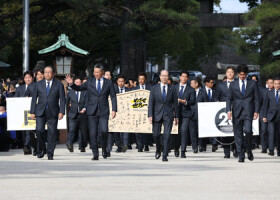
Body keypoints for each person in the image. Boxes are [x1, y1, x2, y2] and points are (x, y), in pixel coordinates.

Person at [65, 63, 117, 161]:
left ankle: (104, 148)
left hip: (103, 111)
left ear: (102, 72)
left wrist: (114, 109)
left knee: (104, 131)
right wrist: (71, 83)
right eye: (94, 72)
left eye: (97, 72)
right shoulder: (90, 82)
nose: (95, 74)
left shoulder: (108, 83)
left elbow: (113, 97)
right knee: (93, 134)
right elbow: (79, 88)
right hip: (92, 112)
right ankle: (95, 154)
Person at [30, 66, 66, 160]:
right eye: (45, 72)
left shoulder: (58, 84)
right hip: (40, 111)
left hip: (53, 112)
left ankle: (50, 153)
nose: (47, 74)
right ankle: (42, 149)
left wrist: (62, 111)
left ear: (53, 73)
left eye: (49, 72)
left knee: (52, 133)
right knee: (39, 130)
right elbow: (34, 99)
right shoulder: (38, 84)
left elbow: (62, 99)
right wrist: (32, 111)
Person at [227, 64, 259, 162]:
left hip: (248, 111)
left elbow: (257, 98)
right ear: (237, 74)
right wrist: (228, 110)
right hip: (237, 111)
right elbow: (229, 98)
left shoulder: (252, 83)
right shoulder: (233, 84)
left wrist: (256, 111)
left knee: (248, 131)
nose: (242, 76)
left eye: (244, 74)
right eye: (240, 74)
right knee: (238, 134)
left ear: (247, 74)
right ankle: (241, 154)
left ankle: (249, 150)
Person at [148, 69, 179, 162]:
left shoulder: (172, 88)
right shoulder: (154, 88)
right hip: (157, 114)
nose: (164, 77)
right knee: (156, 135)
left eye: (166, 76)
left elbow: (175, 104)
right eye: (163, 75)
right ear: (160, 77)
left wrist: (176, 116)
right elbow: (151, 103)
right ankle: (158, 148)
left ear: (168, 77)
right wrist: (150, 115)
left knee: (167, 135)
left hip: (168, 115)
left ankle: (165, 155)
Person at [215, 66, 237, 158]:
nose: (230, 74)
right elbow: (216, 96)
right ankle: (226, 152)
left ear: (234, 74)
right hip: (223, 111)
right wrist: (217, 102)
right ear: (226, 73)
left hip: (236, 109)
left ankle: (236, 149)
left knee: (236, 131)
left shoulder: (237, 84)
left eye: (232, 72)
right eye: (228, 72)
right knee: (225, 131)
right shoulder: (221, 85)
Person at [173, 71, 196, 158]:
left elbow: (193, 101)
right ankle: (176, 148)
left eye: (186, 77)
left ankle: (183, 150)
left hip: (186, 113)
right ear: (180, 77)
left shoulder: (191, 89)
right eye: (182, 76)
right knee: (176, 132)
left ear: (188, 78)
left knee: (184, 131)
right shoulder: (174, 87)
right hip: (176, 113)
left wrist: (185, 102)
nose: (184, 78)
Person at [14, 71, 37, 156]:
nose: (28, 79)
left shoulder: (36, 86)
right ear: (24, 79)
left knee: (31, 130)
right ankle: (28, 147)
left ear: (32, 78)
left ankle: (28, 146)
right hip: (22, 113)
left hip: (33, 112)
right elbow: (15, 99)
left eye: (29, 77)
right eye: (26, 77)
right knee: (25, 131)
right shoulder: (20, 88)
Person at [66, 77, 88, 153]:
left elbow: (87, 102)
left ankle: (82, 146)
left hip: (82, 114)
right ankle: (69, 144)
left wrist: (85, 108)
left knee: (82, 132)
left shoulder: (85, 92)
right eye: (76, 82)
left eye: (79, 82)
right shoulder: (70, 92)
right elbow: (66, 103)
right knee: (71, 130)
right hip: (72, 114)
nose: (78, 84)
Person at [133, 72, 152, 152]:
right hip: (138, 112)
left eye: (142, 79)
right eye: (139, 79)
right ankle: (140, 145)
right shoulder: (134, 89)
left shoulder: (150, 88)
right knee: (138, 129)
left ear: (145, 80)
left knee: (146, 130)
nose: (141, 81)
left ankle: (146, 144)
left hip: (147, 111)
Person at [263, 77, 280, 156]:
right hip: (271, 116)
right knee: (271, 133)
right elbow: (265, 105)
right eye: (276, 84)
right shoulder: (269, 93)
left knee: (278, 134)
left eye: (278, 84)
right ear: (273, 84)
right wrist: (264, 116)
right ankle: (271, 150)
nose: (277, 85)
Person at [113, 74, 130, 153]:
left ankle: (125, 145)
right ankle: (119, 146)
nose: (121, 83)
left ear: (124, 82)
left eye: (122, 81)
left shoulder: (128, 90)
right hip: (116, 112)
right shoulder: (113, 90)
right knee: (117, 130)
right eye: (119, 81)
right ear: (117, 82)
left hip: (126, 113)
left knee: (125, 129)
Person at [190, 77, 208, 152]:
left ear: (196, 84)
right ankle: (194, 147)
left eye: (192, 83)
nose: (190, 85)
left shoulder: (203, 92)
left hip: (201, 114)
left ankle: (201, 145)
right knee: (192, 131)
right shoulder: (189, 91)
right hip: (191, 114)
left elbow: (206, 103)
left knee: (201, 131)